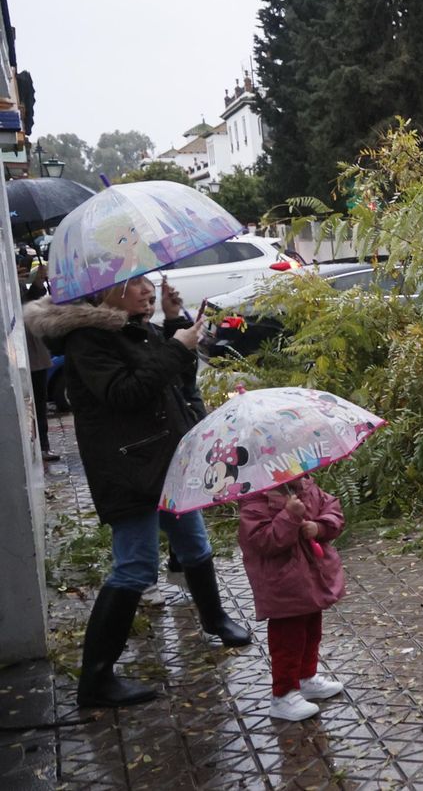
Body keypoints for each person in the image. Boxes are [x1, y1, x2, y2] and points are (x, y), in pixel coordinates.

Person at [24, 275, 252, 709]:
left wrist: (172, 325)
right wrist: (174, 346)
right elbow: (125, 393)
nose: (148, 289)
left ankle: (215, 619)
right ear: (105, 293)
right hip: (128, 469)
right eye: (135, 284)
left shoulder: (132, 327)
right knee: (135, 567)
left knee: (195, 544)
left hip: (165, 461)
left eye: (149, 282)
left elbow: (174, 380)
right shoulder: (88, 340)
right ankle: (95, 679)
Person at [238, 475, 347, 721]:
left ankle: (306, 678)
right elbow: (262, 541)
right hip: (283, 584)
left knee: (311, 631)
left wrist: (319, 527)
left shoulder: (305, 485)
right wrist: (289, 516)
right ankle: (283, 695)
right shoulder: (254, 502)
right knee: (288, 640)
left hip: (310, 576)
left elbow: (333, 509)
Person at [16, 255, 58, 462]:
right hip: (21, 352)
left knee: (39, 402)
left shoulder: (24, 286)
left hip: (35, 352)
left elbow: (34, 304)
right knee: (28, 404)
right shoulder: (12, 286)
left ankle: (43, 445)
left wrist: (39, 281)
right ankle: (36, 444)